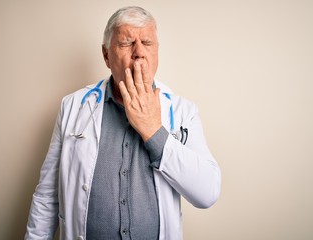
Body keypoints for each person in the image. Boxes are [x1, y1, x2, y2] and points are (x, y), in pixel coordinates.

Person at [25, 6, 221, 240]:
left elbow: (207, 193)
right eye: (127, 43)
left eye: (147, 43)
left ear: (156, 52)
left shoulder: (183, 111)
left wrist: (153, 130)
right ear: (106, 55)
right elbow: (47, 197)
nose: (139, 52)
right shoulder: (72, 107)